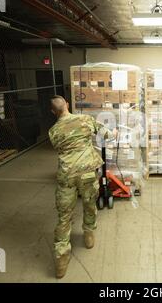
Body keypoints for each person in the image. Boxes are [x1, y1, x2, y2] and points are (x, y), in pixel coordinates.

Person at [48, 95, 117, 279]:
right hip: (87, 172)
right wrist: (115, 132)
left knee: (64, 216)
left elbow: (59, 147)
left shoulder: (53, 131)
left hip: (66, 176)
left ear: (53, 112)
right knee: (89, 204)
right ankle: (88, 236)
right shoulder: (85, 120)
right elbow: (107, 135)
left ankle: (61, 260)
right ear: (68, 105)